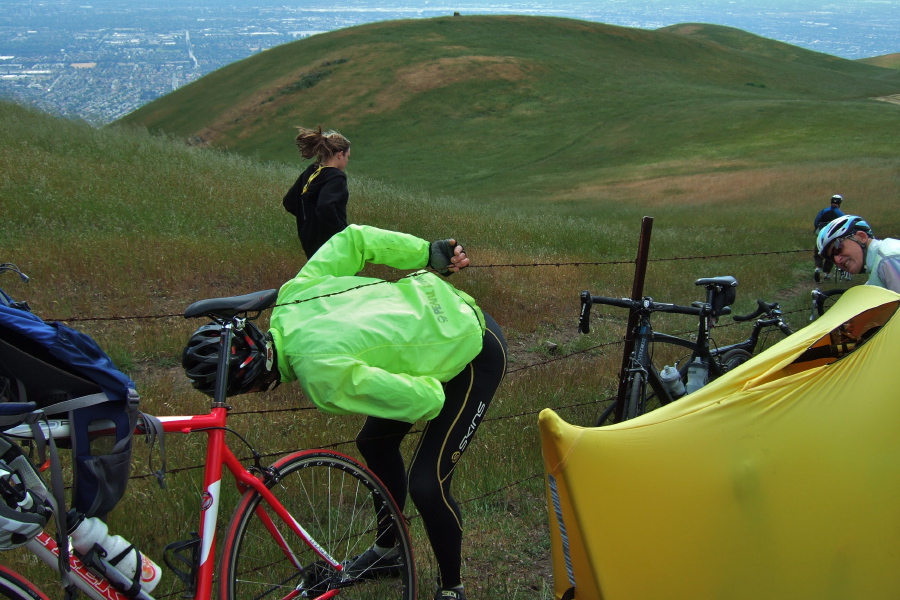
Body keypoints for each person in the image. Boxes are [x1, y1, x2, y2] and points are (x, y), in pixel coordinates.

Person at [182, 225, 508, 600]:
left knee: (427, 484)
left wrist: (418, 368)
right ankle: (388, 554)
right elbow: (355, 240)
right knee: (375, 443)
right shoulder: (291, 297)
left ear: (251, 386)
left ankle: (453, 588)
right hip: (440, 302)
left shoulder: (321, 378)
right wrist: (425, 253)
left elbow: (428, 401)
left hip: (473, 352)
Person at [282, 126, 351, 258]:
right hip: (332, 244)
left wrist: (309, 222)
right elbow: (325, 207)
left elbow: (289, 202)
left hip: (309, 241)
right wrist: (341, 233)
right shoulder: (335, 177)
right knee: (344, 277)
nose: (347, 161)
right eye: (347, 156)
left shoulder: (312, 170)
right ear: (340, 154)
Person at [817, 214, 900, 293]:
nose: (837, 260)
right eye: (832, 258)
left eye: (837, 249)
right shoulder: (878, 264)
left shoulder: (888, 260)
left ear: (861, 237)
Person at [812, 194, 845, 282]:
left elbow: (816, 222)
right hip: (832, 238)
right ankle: (827, 273)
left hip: (821, 236)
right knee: (831, 254)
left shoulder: (823, 211)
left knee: (818, 253)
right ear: (840, 203)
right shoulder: (840, 214)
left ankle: (817, 268)